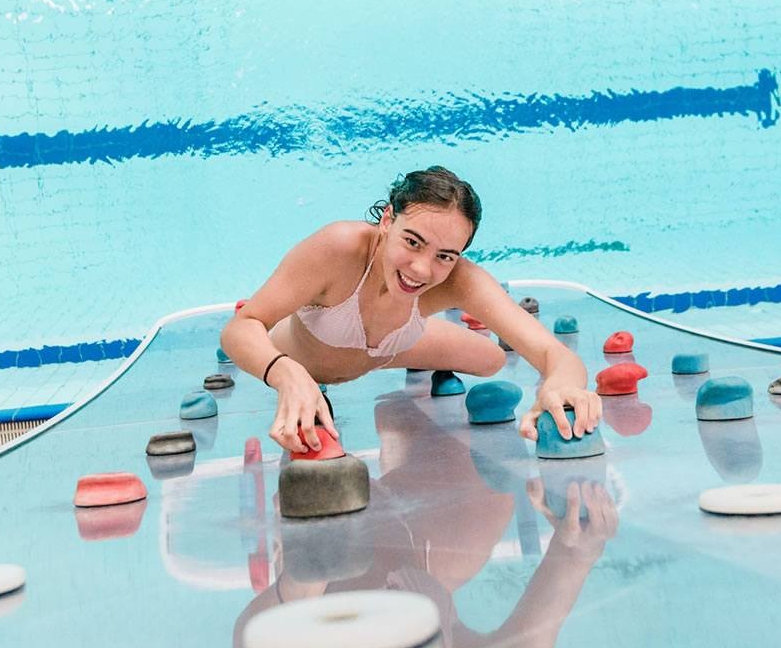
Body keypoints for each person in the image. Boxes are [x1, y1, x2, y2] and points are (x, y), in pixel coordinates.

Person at [220, 166, 600, 454]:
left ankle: (400, 355)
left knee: (490, 359)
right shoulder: (340, 247)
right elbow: (239, 328)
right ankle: (295, 326)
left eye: (445, 256)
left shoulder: (460, 279)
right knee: (263, 335)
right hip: (306, 353)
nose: (421, 269)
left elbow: (555, 354)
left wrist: (562, 386)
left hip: (385, 351)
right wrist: (284, 372)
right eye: (413, 241)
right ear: (387, 220)